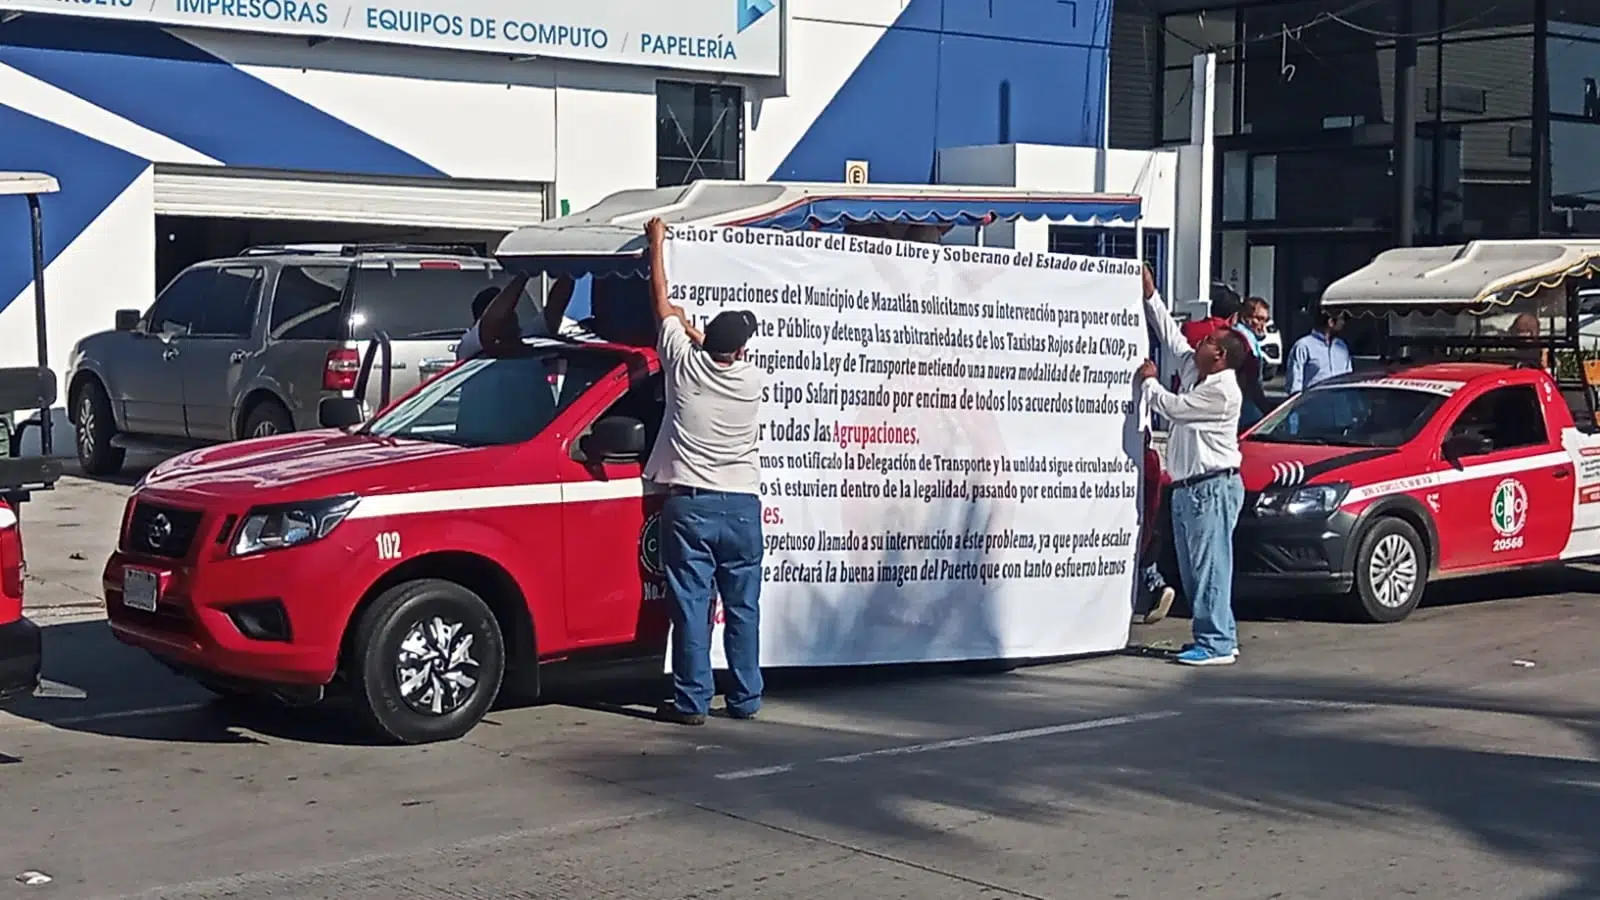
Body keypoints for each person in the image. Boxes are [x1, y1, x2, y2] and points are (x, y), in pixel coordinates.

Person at [641, 216, 766, 726]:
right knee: (743, 609)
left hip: (689, 505)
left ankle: (692, 701)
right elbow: (721, 351)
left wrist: (656, 242)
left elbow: (660, 298)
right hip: (741, 506)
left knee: (692, 607)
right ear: (740, 352)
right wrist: (701, 333)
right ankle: (745, 698)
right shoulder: (753, 380)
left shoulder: (682, 366)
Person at [1136, 284, 1250, 666]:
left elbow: (1174, 409)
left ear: (1218, 356)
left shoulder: (1221, 392)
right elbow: (1170, 336)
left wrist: (1149, 382)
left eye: (1206, 342)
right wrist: (1151, 295)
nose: (1197, 343)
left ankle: (1216, 642)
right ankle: (1218, 634)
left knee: (1210, 567)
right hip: (1191, 488)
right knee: (1196, 568)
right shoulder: (1196, 371)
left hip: (1212, 487)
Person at [1285, 303, 1352, 395]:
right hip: (1313, 406)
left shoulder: (1342, 347)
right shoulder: (1303, 347)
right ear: (1331, 322)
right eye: (1341, 319)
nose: (1343, 323)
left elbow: (1349, 379)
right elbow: (1295, 386)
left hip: (1340, 405)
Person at [1231, 296, 1274, 431]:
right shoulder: (1242, 338)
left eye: (1265, 320)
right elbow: (1251, 379)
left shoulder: (1250, 339)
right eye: (1259, 319)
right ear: (1245, 318)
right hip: (1243, 403)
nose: (1262, 324)